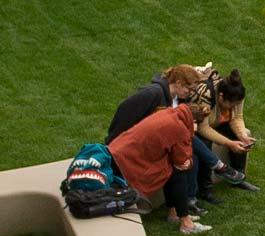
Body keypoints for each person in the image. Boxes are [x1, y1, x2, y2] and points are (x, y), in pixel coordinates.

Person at [103, 65, 245, 209]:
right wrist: (115, 143)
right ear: (178, 83)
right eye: (188, 89)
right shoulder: (153, 93)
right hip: (133, 145)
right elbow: (124, 111)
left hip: (158, 142)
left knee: (189, 156)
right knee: (183, 151)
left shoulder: (176, 97)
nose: (190, 94)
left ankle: (189, 202)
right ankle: (218, 168)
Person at [107, 102, 215, 235]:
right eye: (196, 124)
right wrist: (189, 162)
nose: (196, 128)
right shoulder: (179, 128)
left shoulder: (168, 113)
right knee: (178, 171)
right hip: (127, 163)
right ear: (192, 120)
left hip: (118, 153)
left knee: (172, 169)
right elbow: (182, 160)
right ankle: (186, 223)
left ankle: (173, 212)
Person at [190, 69, 262, 205]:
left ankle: (238, 177)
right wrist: (229, 143)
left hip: (216, 122)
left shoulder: (237, 93)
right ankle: (205, 189)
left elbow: (236, 117)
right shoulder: (205, 95)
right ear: (221, 97)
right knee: (205, 143)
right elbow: (203, 128)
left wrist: (242, 136)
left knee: (241, 136)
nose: (233, 107)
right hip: (197, 125)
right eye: (231, 105)